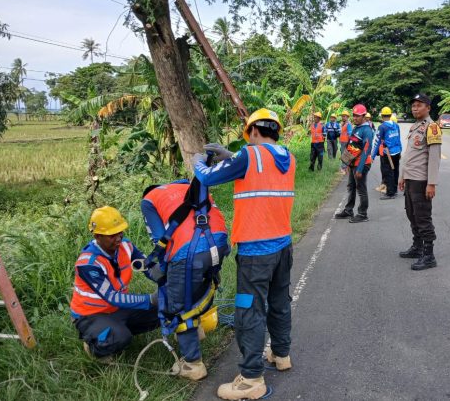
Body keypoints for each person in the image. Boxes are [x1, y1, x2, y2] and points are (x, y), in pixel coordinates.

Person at [194, 109, 295, 400]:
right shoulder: (288, 157)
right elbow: (258, 170)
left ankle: (251, 379)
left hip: (255, 252)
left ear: (251, 132)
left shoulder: (249, 156)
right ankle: (281, 353)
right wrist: (231, 156)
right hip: (282, 246)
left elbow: (208, 177)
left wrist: (198, 162)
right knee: (279, 302)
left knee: (248, 310)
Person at [141, 174, 230, 380]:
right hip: (220, 242)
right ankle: (196, 332)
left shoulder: (148, 201)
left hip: (188, 253)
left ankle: (192, 364)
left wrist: (161, 273)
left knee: (178, 304)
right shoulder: (185, 186)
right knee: (199, 283)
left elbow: (159, 241)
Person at [70, 206, 159, 363]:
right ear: (98, 236)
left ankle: (115, 329)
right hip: (90, 314)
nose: (118, 238)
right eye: (112, 235)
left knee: (166, 306)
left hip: (117, 310)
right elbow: (112, 297)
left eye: (120, 232)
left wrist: (170, 281)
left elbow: (148, 267)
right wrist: (150, 299)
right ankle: (95, 345)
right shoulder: (88, 264)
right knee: (121, 338)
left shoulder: (125, 246)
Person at [398, 93, 442, 271]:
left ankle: (429, 255)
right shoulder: (415, 126)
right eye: (413, 105)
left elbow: (434, 157)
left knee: (423, 217)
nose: (415, 108)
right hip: (410, 178)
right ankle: (417, 247)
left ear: (428, 108)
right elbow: (409, 155)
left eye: (419, 105)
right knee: (411, 215)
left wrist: (431, 183)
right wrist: (402, 176)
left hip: (421, 180)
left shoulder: (432, 128)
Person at [335, 104, 374, 223]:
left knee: (361, 189)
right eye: (354, 115)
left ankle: (363, 214)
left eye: (358, 116)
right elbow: (350, 146)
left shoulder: (367, 130)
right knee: (351, 187)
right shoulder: (356, 128)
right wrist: (346, 163)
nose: (355, 118)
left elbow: (367, 150)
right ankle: (348, 210)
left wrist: (360, 169)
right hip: (353, 163)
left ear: (363, 116)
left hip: (362, 164)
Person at [372, 106, 403, 200]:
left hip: (387, 153)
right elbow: (398, 138)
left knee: (388, 172)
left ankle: (390, 193)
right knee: (395, 171)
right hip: (397, 152)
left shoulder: (382, 127)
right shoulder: (396, 125)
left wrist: (372, 156)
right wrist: (400, 151)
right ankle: (394, 189)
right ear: (390, 115)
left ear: (382, 116)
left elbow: (377, 142)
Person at [339, 111, 353, 175]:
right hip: (342, 141)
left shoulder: (348, 124)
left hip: (346, 142)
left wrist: (349, 143)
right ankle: (347, 168)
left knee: (344, 155)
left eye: (344, 116)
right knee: (344, 155)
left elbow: (350, 134)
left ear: (347, 117)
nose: (343, 117)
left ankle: (343, 168)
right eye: (342, 116)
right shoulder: (343, 124)